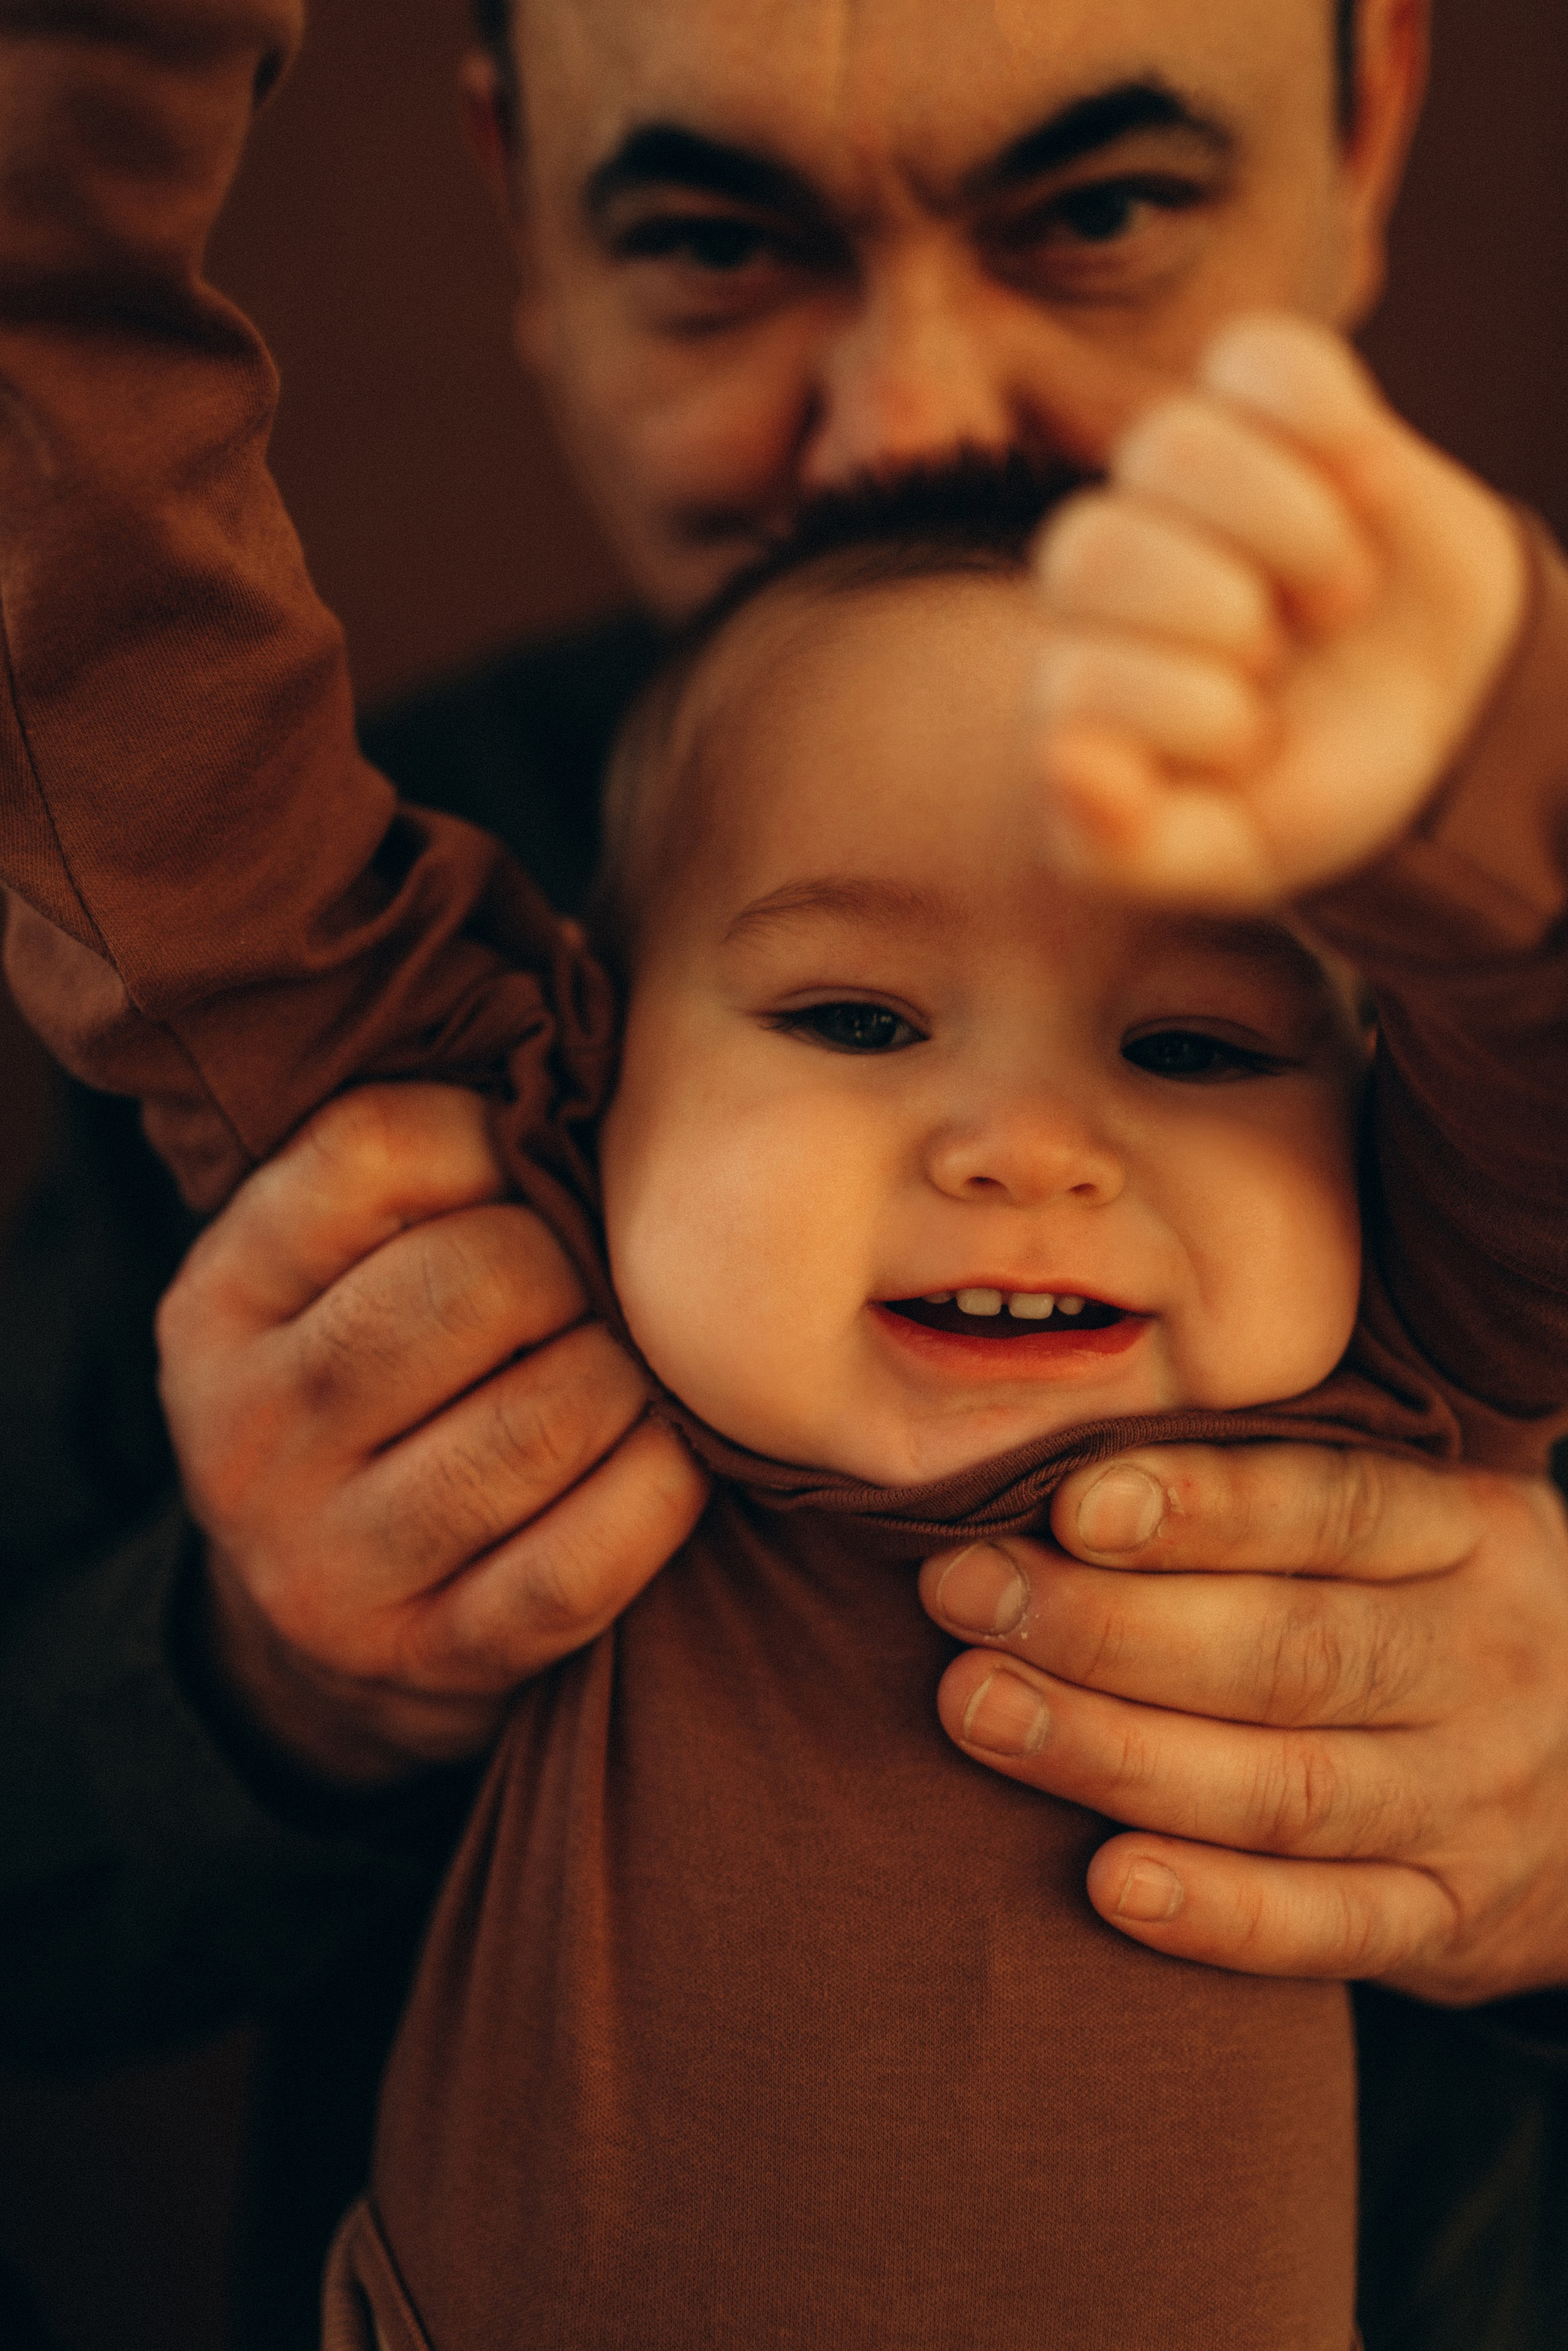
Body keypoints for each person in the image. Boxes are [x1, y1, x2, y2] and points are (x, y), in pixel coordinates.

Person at [1, 0, 1566, 2341]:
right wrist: (253, 1689)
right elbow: (110, 657)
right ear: (523, 214)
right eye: (846, 1018)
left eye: (1104, 211)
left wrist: (1490, 740)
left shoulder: (1434, 1168)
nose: (915, 418)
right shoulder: (482, 1089)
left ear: (1366, 140)